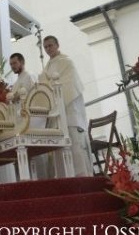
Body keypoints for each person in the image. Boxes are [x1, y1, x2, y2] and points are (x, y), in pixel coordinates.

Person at [39, 36, 93, 177]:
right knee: (59, 146)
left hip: (69, 110)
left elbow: (70, 85)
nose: (48, 49)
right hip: (56, 113)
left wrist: (51, 87)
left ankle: (83, 176)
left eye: (50, 45)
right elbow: (44, 85)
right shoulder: (47, 67)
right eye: (46, 47)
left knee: (75, 144)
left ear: (57, 45)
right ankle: (65, 177)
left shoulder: (67, 62)